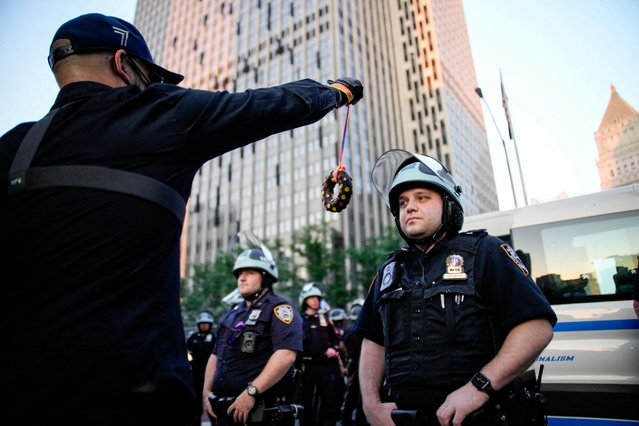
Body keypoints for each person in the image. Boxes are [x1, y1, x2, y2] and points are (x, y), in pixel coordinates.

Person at [0, 13, 362, 425]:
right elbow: (265, 105)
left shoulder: (14, 148)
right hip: (136, 396)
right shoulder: (159, 113)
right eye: (149, 77)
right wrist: (335, 91)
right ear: (123, 64)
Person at [352, 149, 557, 426]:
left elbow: (537, 326)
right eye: (402, 202)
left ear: (448, 204)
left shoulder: (487, 252)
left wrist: (478, 388)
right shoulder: (389, 271)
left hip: (479, 418)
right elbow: (374, 340)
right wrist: (371, 405)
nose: (409, 207)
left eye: (422, 197)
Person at [203, 248, 303, 426]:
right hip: (226, 411)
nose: (241, 278)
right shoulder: (232, 313)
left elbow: (286, 355)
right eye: (240, 273)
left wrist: (251, 392)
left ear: (265, 277)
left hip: (260, 413)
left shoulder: (280, 309)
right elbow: (216, 354)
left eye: (249, 272)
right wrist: (206, 392)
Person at [299, 282, 342, 426]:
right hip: (307, 367)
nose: (316, 300)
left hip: (326, 367)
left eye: (318, 298)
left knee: (329, 401)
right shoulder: (299, 321)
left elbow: (335, 338)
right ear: (305, 301)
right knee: (306, 401)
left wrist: (334, 349)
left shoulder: (324, 319)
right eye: (312, 298)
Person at [187, 311, 217, 426]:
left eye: (206, 323)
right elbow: (188, 352)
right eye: (202, 323)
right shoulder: (193, 338)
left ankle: (214, 422)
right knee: (195, 403)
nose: (204, 326)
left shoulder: (214, 338)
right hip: (196, 374)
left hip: (210, 375)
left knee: (211, 401)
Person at [341, 302, 367, 426]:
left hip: (353, 364)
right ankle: (359, 420)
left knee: (352, 394)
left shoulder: (347, 331)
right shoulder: (363, 330)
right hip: (363, 364)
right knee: (362, 395)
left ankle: (346, 418)